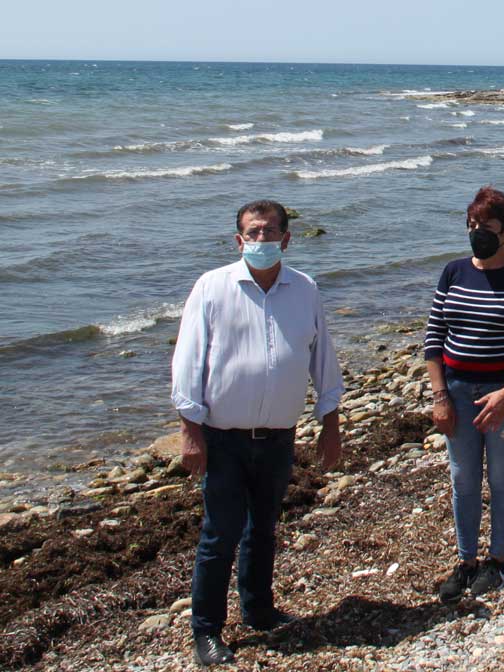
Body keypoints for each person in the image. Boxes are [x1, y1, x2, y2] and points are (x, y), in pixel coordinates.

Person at [171, 199, 344, 667]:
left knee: (264, 529)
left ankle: (258, 610)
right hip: (223, 437)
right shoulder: (212, 288)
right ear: (238, 239)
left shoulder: (304, 290)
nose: (261, 240)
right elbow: (188, 361)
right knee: (220, 534)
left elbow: (322, 359)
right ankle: (206, 632)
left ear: (287, 239)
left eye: (270, 232)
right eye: (253, 232)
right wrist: (190, 432)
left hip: (279, 436)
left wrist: (331, 423)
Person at [423, 186, 504, 602]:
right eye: (473, 225)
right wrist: (439, 395)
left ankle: (499, 560)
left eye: (488, 227)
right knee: (463, 479)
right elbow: (433, 338)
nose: (478, 232)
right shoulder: (454, 272)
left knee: (500, 477)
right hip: (458, 393)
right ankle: (466, 562)